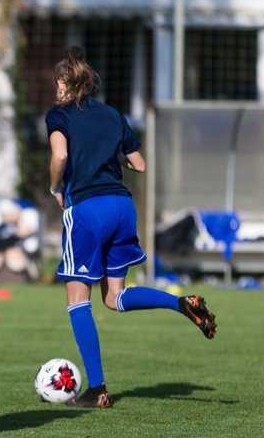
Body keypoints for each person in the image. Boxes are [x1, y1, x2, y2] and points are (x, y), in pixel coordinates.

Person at [46, 47, 216, 409]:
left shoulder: (58, 115)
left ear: (65, 82)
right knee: (114, 298)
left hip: (88, 209)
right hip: (122, 207)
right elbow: (138, 164)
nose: (55, 89)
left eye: (57, 83)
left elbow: (59, 156)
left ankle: (98, 389)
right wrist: (108, 153)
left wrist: (55, 187)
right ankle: (179, 303)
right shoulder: (112, 114)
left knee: (79, 302)